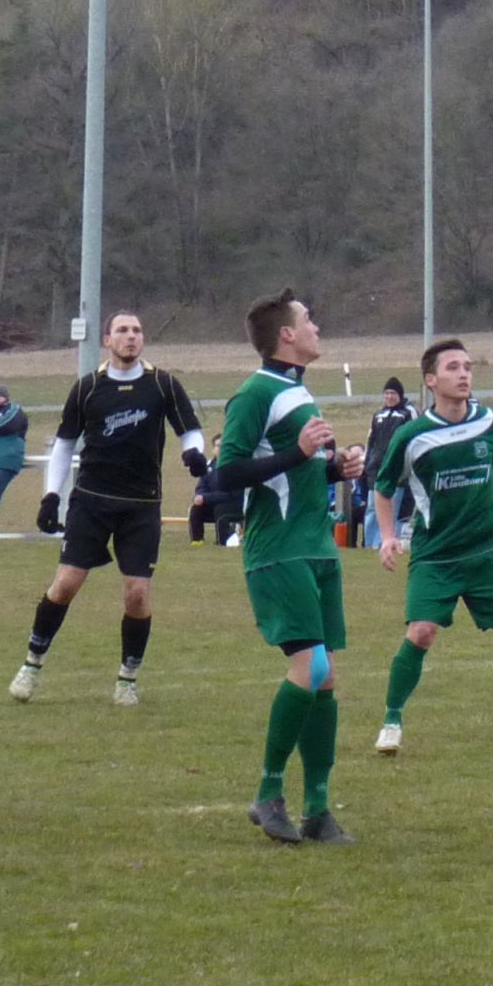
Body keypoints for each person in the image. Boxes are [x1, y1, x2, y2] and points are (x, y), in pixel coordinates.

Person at [371, 339, 493, 756]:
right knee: (421, 632)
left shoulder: (488, 421)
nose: (463, 374)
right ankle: (391, 721)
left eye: (467, 366)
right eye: (452, 368)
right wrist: (388, 536)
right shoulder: (412, 435)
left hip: (485, 552)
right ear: (431, 380)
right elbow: (384, 487)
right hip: (435, 556)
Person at [215, 288, 364, 845]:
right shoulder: (255, 392)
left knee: (326, 678)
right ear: (286, 334)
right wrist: (299, 452)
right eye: (308, 320)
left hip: (317, 547)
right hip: (278, 550)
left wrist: (332, 470)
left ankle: (318, 810)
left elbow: (290, 473)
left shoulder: (297, 391)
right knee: (311, 667)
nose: (316, 327)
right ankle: (268, 793)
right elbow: (227, 473)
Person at [7, 313, 206, 708]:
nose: (131, 337)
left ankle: (127, 679)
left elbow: (190, 430)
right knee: (65, 585)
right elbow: (65, 443)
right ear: (107, 340)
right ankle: (32, 664)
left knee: (137, 594)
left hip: (142, 505)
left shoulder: (162, 384)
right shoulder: (88, 388)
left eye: (137, 330)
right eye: (122, 331)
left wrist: (194, 453)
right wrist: (51, 496)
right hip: (91, 502)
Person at [363, 377, 416, 549]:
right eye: (386, 393)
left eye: (393, 393)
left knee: (390, 507)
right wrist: (367, 463)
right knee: (372, 508)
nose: (389, 397)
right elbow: (371, 440)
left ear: (400, 395)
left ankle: (386, 542)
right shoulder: (378, 415)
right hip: (375, 468)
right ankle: (371, 545)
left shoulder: (407, 413)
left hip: (395, 469)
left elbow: (414, 439)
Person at [0, 383, 27, 539]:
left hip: (3, 460)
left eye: (0, 396)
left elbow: (9, 425)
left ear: (6, 399)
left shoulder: (13, 410)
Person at [190, 434, 242, 546]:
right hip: (212, 503)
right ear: (213, 449)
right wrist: (199, 497)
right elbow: (202, 487)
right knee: (196, 509)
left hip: (233, 504)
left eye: (224, 446)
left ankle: (221, 542)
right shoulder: (208, 467)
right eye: (218, 446)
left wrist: (205, 498)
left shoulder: (234, 466)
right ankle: (197, 541)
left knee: (220, 509)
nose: (221, 449)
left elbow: (230, 494)